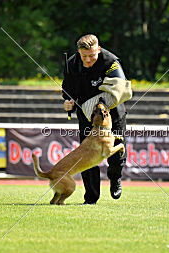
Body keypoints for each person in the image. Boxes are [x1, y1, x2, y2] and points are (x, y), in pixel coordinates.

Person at [62, 34, 127, 205]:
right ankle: (91, 197)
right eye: (84, 56)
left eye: (92, 55)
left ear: (98, 49)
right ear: (79, 53)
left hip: (111, 112)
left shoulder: (110, 61)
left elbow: (121, 87)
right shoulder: (71, 64)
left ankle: (115, 178)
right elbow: (67, 90)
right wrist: (68, 103)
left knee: (115, 152)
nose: (89, 60)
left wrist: (102, 103)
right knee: (87, 156)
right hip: (86, 114)